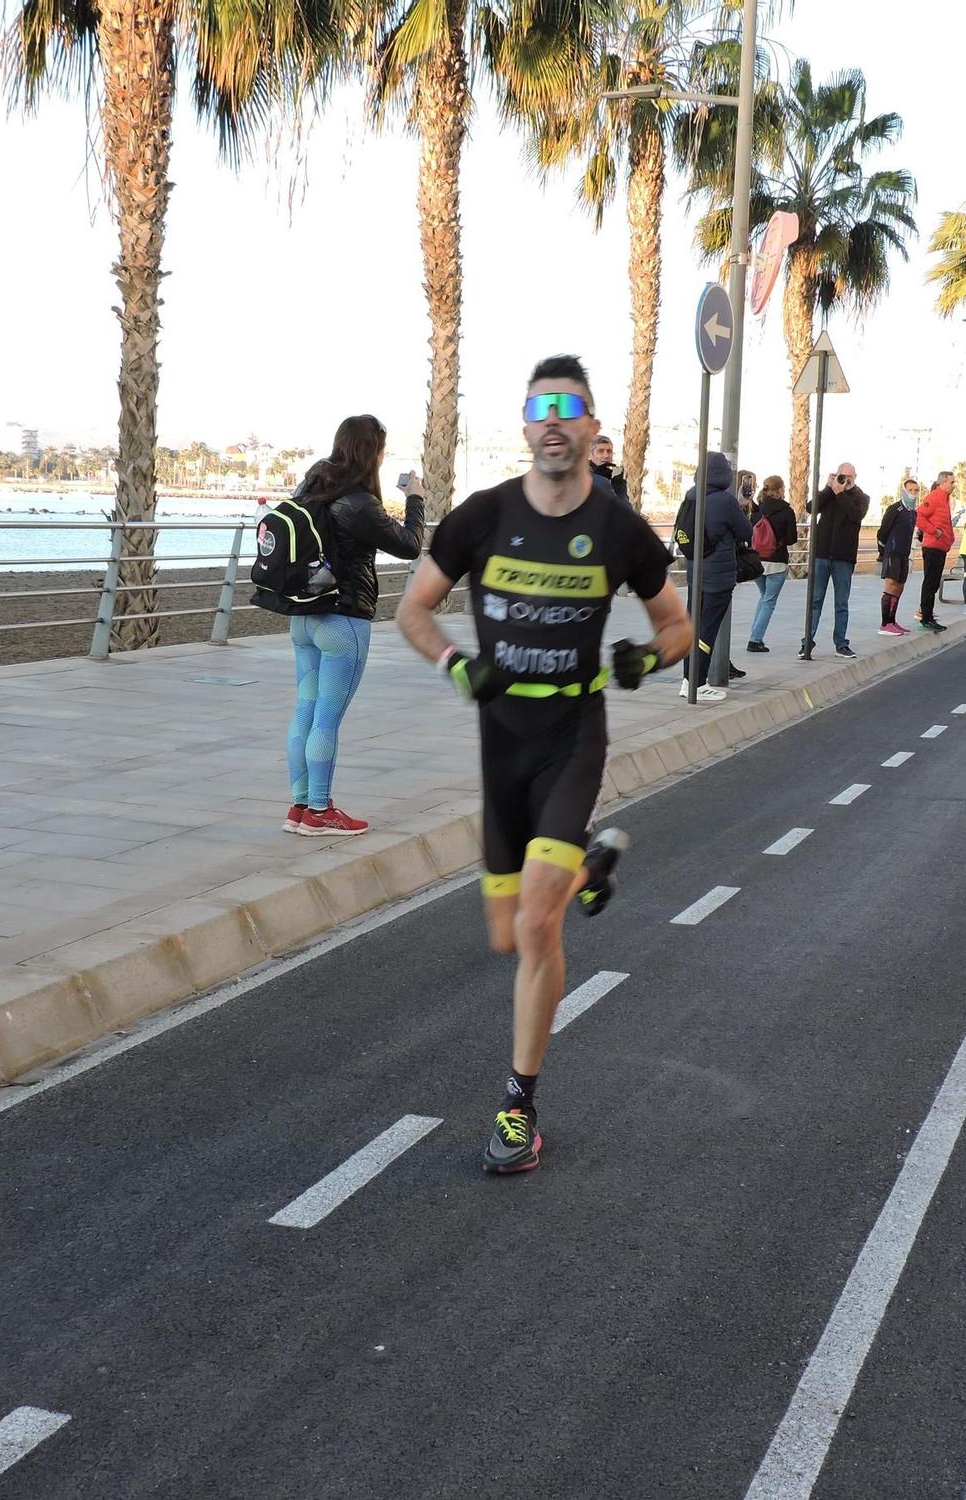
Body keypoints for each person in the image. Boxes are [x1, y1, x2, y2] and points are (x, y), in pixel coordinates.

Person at [395, 354, 691, 1174]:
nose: (554, 421)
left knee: (535, 925)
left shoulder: (620, 529)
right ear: (525, 425)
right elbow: (412, 610)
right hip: (501, 744)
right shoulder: (482, 517)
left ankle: (519, 1108)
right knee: (503, 936)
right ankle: (591, 861)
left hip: (572, 737)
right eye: (541, 407)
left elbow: (679, 627)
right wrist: (460, 666)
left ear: (594, 431)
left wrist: (646, 661)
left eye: (571, 409)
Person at [278, 416, 425, 837]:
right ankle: (321, 811)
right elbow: (409, 545)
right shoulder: (358, 501)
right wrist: (414, 498)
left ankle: (300, 807)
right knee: (327, 719)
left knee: (305, 710)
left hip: (304, 617)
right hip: (343, 622)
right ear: (373, 452)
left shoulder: (312, 486)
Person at [683, 451, 751, 699]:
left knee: (693, 627)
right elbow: (747, 532)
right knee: (707, 631)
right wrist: (742, 509)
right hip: (718, 576)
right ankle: (699, 685)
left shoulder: (692, 495)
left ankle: (687, 681)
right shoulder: (724, 500)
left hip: (695, 573)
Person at [802, 465, 864, 659]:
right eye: (841, 476)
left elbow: (855, 515)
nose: (845, 479)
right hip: (821, 554)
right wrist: (829, 488)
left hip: (843, 558)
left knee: (841, 603)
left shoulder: (861, 497)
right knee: (815, 600)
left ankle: (841, 643)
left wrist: (840, 493)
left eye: (848, 476)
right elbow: (811, 508)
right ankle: (807, 642)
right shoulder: (829, 494)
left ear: (855, 476)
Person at [745, 474, 797, 652]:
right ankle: (755, 639)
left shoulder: (757, 510)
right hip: (777, 562)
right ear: (781, 490)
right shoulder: (787, 511)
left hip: (757, 562)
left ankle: (755, 636)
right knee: (769, 601)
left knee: (764, 597)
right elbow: (791, 539)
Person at [877, 480, 919, 636]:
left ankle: (892, 621)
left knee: (899, 587)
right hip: (892, 553)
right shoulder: (895, 509)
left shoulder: (913, 513)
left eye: (916, 490)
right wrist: (883, 552)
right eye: (910, 490)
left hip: (904, 554)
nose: (913, 493)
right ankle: (884, 623)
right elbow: (882, 532)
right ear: (903, 490)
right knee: (891, 585)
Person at [915, 470, 955, 632]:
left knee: (933, 582)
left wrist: (949, 538)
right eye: (952, 482)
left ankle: (928, 615)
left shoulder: (944, 499)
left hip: (940, 546)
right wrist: (934, 531)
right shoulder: (934, 497)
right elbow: (919, 516)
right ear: (943, 482)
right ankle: (925, 617)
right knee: (930, 582)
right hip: (932, 546)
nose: (954, 485)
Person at [588, 434, 629, 504]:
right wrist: (598, 478)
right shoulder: (581, 475)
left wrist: (618, 485)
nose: (606, 455)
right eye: (600, 451)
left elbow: (625, 508)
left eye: (609, 451)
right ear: (590, 454)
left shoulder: (614, 477)